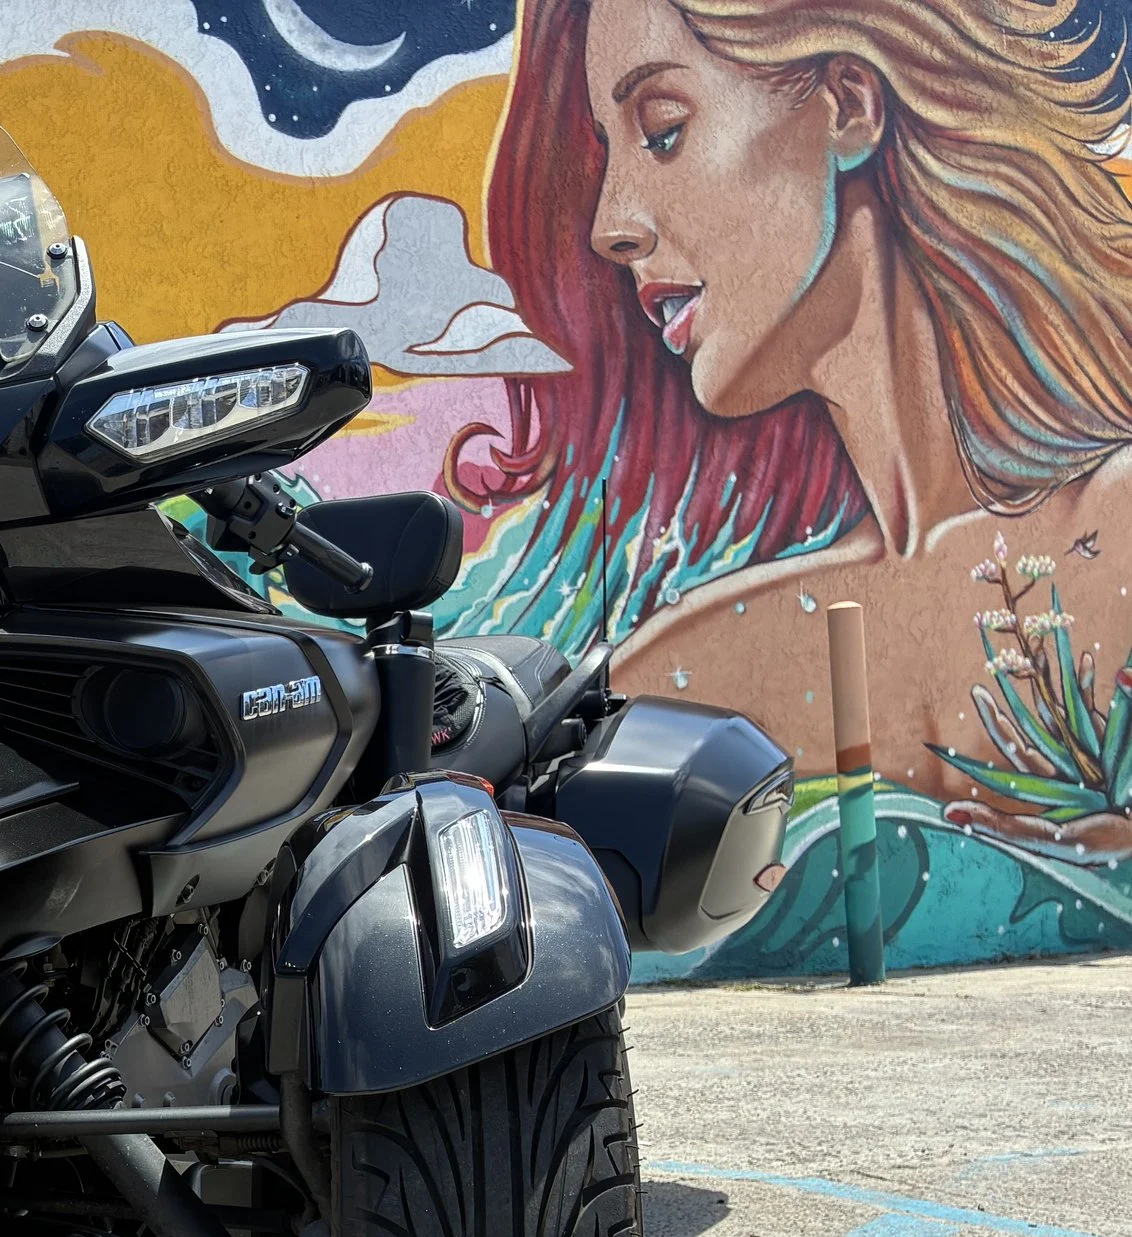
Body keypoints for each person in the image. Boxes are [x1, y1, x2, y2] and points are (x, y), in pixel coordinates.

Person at [460, 0, 1132, 850]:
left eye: (662, 129)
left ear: (848, 104)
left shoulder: (1117, 538)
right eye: (608, 150)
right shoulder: (689, 671)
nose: (610, 225)